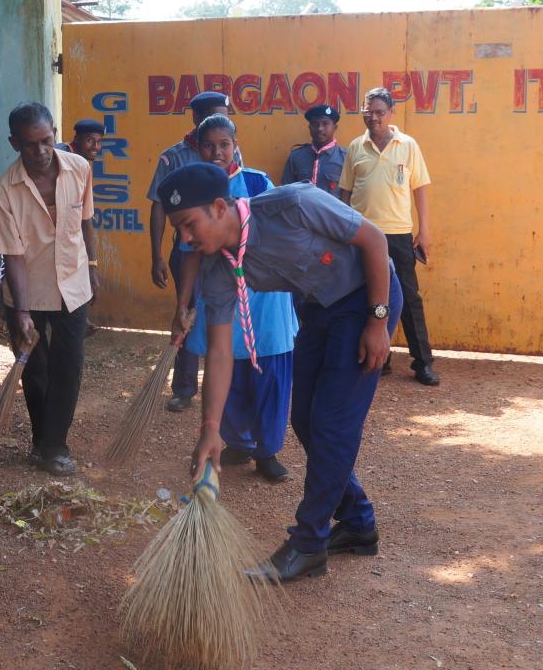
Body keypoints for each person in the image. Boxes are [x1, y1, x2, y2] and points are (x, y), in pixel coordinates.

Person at [161, 162, 403, 583]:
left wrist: (378, 321)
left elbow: (375, 240)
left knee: (331, 425)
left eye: (188, 225)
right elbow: (219, 352)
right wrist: (211, 428)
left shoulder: (293, 203)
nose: (185, 238)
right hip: (318, 309)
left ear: (219, 207)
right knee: (305, 421)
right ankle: (359, 524)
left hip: (367, 298)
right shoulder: (219, 267)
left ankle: (308, 544)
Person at [177, 115, 297, 482]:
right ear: (198, 148)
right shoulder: (192, 190)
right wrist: (183, 304)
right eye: (209, 145)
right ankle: (239, 442)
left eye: (224, 144)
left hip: (264, 297)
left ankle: (267, 451)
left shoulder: (258, 182)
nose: (217, 152)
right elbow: (191, 252)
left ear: (236, 144)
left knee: (269, 377)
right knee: (226, 370)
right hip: (221, 294)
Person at [0, 102, 98, 476]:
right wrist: (21, 312)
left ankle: (55, 446)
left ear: (55, 134)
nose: (40, 151)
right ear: (14, 143)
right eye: (30, 144)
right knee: (35, 371)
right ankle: (40, 440)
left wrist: (93, 266)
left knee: (69, 367)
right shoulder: (5, 191)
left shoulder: (81, 168)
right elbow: (13, 257)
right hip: (26, 292)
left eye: (47, 140)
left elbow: (85, 223)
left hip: (73, 286)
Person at [147, 91, 243, 413]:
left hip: (226, 257)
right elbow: (159, 208)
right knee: (186, 310)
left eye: (226, 118)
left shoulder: (236, 157)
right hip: (189, 249)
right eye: (214, 114)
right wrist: (157, 254)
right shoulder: (173, 157)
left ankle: (227, 386)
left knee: (225, 317)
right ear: (195, 118)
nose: (217, 151)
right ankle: (184, 388)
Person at [339, 87, 439, 386]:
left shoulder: (407, 145)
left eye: (380, 112)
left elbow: (419, 187)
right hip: (362, 234)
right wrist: (341, 231)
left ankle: (423, 362)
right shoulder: (356, 147)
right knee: (364, 296)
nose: (374, 118)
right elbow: (345, 192)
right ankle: (376, 359)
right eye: (368, 112)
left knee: (408, 298)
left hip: (397, 233)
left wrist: (424, 230)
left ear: (391, 113)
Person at [54, 118, 105, 335]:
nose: (95, 147)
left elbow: (85, 217)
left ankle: (79, 322)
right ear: (77, 140)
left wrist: (93, 263)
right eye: (90, 141)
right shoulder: (62, 156)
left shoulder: (82, 164)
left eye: (98, 142)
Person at [282, 104, 346, 198]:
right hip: (301, 212)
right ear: (309, 127)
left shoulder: (345, 158)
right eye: (315, 124)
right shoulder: (296, 157)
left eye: (325, 123)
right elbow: (285, 193)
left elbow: (350, 197)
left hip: (332, 213)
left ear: (335, 127)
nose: (320, 128)